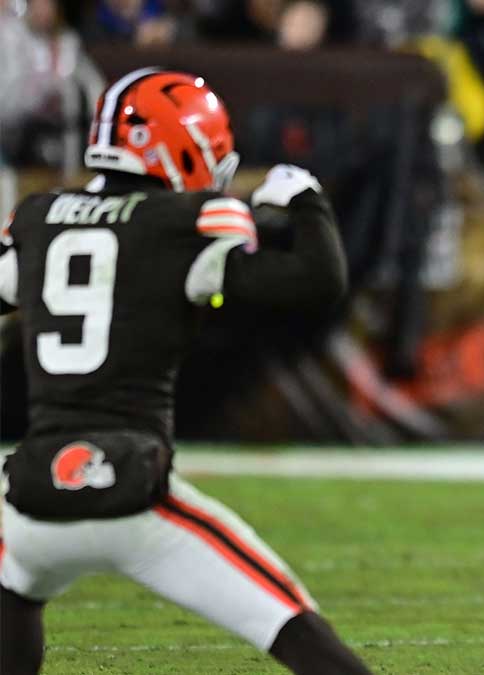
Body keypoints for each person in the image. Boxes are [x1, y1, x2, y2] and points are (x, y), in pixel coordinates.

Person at [0, 69, 371, 675]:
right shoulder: (189, 223)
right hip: (135, 495)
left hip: (33, 495)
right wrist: (305, 201)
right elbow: (315, 282)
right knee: (300, 632)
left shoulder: (39, 220)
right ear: (180, 145)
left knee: (14, 586)